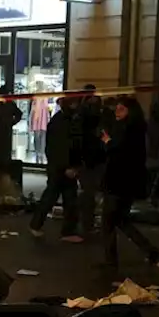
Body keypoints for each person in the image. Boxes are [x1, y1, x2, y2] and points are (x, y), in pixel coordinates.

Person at [101, 96, 159, 268]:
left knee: (108, 222)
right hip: (127, 182)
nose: (117, 112)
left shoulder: (127, 130)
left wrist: (108, 142)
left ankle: (110, 261)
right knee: (120, 220)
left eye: (121, 109)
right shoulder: (136, 128)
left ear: (130, 111)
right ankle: (150, 250)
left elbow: (120, 153)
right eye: (116, 109)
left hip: (118, 181)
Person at [29, 96, 83, 241]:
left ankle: (40, 225)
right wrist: (67, 166)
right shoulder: (63, 122)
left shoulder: (62, 120)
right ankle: (65, 230)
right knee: (59, 197)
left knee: (58, 197)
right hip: (62, 167)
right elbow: (61, 147)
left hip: (60, 166)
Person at [76, 85, 108, 236]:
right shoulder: (84, 115)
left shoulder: (97, 113)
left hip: (96, 158)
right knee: (88, 193)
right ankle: (87, 223)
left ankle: (89, 221)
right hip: (88, 159)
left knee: (92, 192)